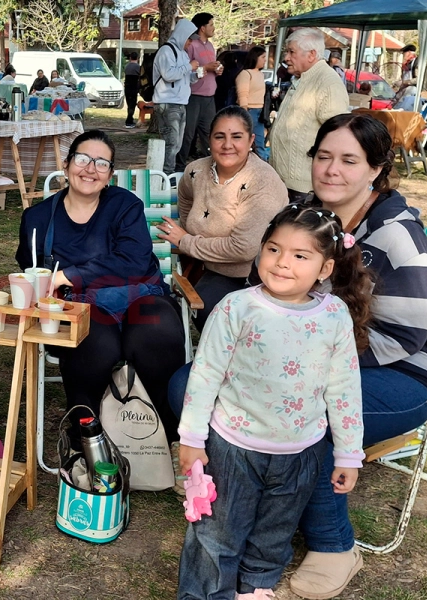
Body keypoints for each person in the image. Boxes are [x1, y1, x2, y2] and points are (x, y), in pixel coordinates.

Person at [176, 204, 368, 600]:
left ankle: (254, 589)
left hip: (301, 453)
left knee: (273, 535)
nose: (282, 263)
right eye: (273, 249)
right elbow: (206, 372)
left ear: (325, 269)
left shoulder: (334, 316)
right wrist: (192, 437)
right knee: (217, 534)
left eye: (300, 256)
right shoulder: (237, 307)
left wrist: (349, 454)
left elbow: (344, 387)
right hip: (232, 447)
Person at [289, 113, 427, 599]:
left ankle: (335, 546)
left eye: (348, 160)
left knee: (308, 415)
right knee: (189, 383)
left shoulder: (399, 236)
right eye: (324, 156)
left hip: (396, 377)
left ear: (376, 169)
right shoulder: (304, 220)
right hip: (299, 366)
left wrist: (318, 368)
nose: (331, 170)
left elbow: (406, 333)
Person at [15, 129, 186, 447]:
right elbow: (32, 271)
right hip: (79, 308)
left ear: (109, 175)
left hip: (141, 295)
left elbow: (133, 263)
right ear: (66, 165)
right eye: (82, 159)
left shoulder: (125, 206)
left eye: (101, 163)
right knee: (92, 341)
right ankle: (86, 438)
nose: (90, 169)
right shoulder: (37, 219)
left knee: (158, 331)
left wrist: (70, 274)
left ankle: (170, 437)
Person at [157, 106, 287, 335]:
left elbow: (243, 249)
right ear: (210, 140)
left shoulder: (262, 182)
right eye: (220, 136)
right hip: (210, 268)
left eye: (237, 137)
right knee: (191, 306)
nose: (228, 145)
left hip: (255, 277)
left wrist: (187, 241)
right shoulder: (195, 170)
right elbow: (185, 195)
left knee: (217, 314)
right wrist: (188, 226)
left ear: (251, 140)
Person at [269, 28, 348, 203]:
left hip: (304, 187)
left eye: (291, 52)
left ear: (311, 55)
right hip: (286, 182)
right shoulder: (305, 78)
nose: (286, 58)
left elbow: (338, 136)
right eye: (286, 52)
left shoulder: (327, 82)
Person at [152, 18, 200, 174]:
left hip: (180, 103)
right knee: (171, 143)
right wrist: (189, 66)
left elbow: (184, 78)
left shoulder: (183, 54)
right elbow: (169, 74)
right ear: (182, 36)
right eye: (189, 39)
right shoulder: (167, 51)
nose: (191, 43)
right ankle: (165, 175)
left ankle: (167, 174)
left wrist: (197, 75)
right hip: (167, 103)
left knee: (177, 143)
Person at [178, 13, 222, 167]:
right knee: (188, 134)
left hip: (210, 97)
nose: (213, 28)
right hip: (193, 96)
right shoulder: (191, 45)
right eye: (211, 25)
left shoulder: (210, 46)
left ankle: (212, 167)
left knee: (209, 134)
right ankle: (179, 168)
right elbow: (185, 70)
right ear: (202, 28)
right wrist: (205, 67)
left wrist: (216, 69)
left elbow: (209, 67)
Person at [235, 46, 269, 161]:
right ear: (255, 57)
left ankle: (262, 165)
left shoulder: (260, 74)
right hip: (249, 110)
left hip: (260, 111)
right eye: (263, 57)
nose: (265, 60)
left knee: (259, 141)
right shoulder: (245, 74)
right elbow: (242, 94)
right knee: (248, 140)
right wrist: (244, 111)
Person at [123, 52, 140, 128]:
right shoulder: (138, 67)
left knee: (129, 104)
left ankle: (130, 119)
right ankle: (129, 121)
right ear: (137, 58)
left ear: (130, 58)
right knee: (132, 105)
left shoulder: (126, 66)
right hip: (134, 87)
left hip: (127, 87)